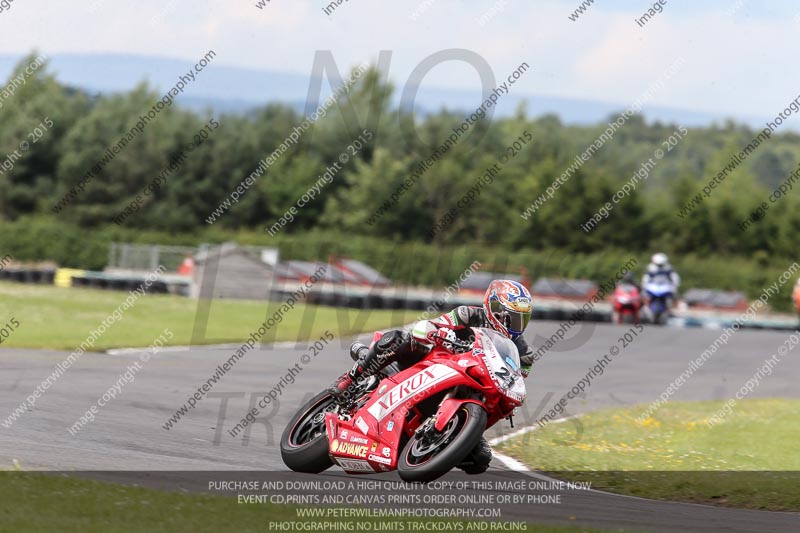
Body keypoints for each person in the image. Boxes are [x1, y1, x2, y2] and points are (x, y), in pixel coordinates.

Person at [328, 279, 535, 474]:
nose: (517, 325)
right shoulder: (468, 315)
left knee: (480, 460)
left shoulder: (524, 353)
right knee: (400, 340)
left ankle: (436, 445)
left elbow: (513, 379)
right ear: (495, 309)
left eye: (522, 319)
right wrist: (439, 332)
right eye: (512, 318)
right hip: (436, 359)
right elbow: (434, 324)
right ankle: (351, 378)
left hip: (474, 382)